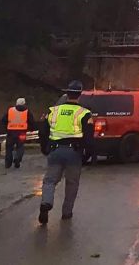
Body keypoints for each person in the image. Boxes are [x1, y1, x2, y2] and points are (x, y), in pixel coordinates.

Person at [38, 80, 93, 224]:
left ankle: (46, 202)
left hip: (55, 151)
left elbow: (42, 131)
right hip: (74, 153)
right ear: (79, 95)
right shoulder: (85, 113)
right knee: (72, 183)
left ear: (66, 93)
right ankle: (66, 213)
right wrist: (88, 154)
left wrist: (44, 148)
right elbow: (88, 137)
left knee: (50, 181)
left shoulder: (52, 111)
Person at [2, 98, 34, 169]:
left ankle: (8, 164)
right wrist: (30, 129)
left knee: (9, 148)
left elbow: (4, 120)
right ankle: (17, 159)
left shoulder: (10, 110)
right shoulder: (27, 111)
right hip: (22, 132)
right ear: (24, 103)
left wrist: (6, 129)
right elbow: (31, 121)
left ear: (16, 103)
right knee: (20, 146)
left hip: (11, 132)